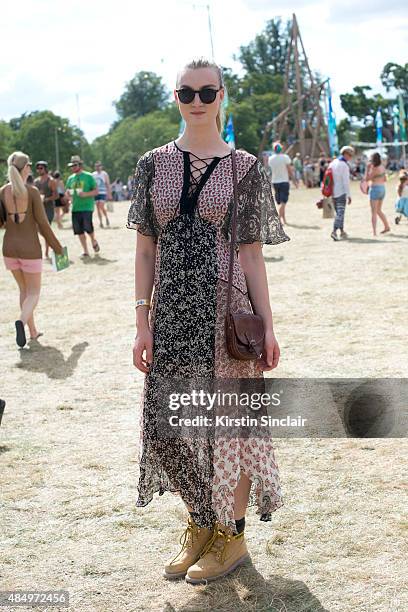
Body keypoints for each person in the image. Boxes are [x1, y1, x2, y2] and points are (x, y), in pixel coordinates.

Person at [128, 57, 289, 585]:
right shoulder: (153, 163)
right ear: (175, 98)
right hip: (172, 311)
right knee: (173, 427)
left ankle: (232, 536)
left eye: (206, 91)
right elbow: (145, 250)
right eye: (186, 92)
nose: (196, 101)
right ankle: (200, 523)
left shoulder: (246, 166)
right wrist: (141, 320)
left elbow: (252, 255)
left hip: (225, 315)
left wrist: (267, 324)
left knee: (231, 429)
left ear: (222, 96)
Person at [0, 151, 63, 347]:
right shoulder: (33, 192)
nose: (31, 168)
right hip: (30, 250)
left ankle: (32, 331)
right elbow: (43, 225)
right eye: (29, 165)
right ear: (25, 167)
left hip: (9, 249)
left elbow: (1, 223)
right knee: (34, 293)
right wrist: (57, 248)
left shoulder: (2, 191)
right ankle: (21, 321)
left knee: (23, 291)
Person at [65, 155, 100, 258]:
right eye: (71, 166)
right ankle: (85, 251)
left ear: (80, 165)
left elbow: (96, 191)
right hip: (75, 208)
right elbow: (67, 192)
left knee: (88, 228)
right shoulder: (70, 178)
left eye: (74, 165)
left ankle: (93, 241)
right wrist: (68, 195)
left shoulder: (88, 176)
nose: (73, 168)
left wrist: (85, 194)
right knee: (79, 231)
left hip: (87, 207)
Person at [329, 145, 354, 241]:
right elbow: (346, 182)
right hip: (341, 192)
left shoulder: (333, 163)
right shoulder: (344, 165)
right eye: (350, 155)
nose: (350, 157)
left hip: (333, 192)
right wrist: (349, 195)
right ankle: (334, 231)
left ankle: (342, 231)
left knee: (339, 213)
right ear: (346, 154)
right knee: (340, 213)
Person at [34, 161, 58, 259]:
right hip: (39, 209)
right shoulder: (36, 181)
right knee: (40, 230)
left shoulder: (51, 181)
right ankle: (52, 244)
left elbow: (56, 195)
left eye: (41, 168)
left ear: (45, 169)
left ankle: (46, 252)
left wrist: (47, 199)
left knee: (46, 230)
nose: (39, 170)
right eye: (38, 168)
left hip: (48, 208)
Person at [364, 152, 390, 236]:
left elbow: (367, 179)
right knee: (379, 210)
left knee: (374, 212)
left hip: (375, 189)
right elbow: (385, 179)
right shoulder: (382, 167)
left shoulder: (374, 169)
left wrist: (367, 169)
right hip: (382, 188)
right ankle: (387, 226)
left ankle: (374, 232)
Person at [268, 142, 294, 224]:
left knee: (280, 202)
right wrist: (294, 180)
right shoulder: (285, 157)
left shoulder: (270, 159)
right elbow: (289, 169)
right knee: (283, 202)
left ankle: (284, 220)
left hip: (275, 182)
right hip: (284, 181)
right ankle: (278, 218)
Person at [93, 161, 112, 228]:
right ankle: (101, 222)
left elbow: (107, 184)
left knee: (101, 206)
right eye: (96, 166)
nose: (97, 167)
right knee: (97, 208)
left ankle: (106, 217)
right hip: (96, 193)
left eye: (99, 166)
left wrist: (109, 193)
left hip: (103, 192)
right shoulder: (93, 174)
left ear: (101, 167)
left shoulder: (104, 174)